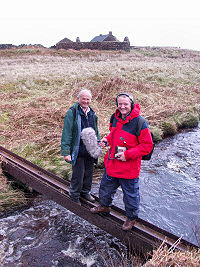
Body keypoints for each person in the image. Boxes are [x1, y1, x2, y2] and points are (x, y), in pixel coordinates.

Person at [91, 92, 153, 231]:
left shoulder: (140, 122)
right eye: (120, 104)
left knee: (130, 196)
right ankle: (104, 207)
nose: (122, 107)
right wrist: (107, 140)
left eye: (126, 104)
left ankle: (131, 219)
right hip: (112, 164)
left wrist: (128, 154)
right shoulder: (115, 117)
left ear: (131, 104)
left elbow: (147, 146)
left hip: (129, 168)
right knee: (105, 189)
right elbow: (113, 134)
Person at [61, 88, 100, 205]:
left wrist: (98, 143)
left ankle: (85, 192)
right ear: (78, 99)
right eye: (83, 99)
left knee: (89, 173)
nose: (86, 101)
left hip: (90, 149)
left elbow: (96, 131)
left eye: (88, 99)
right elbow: (66, 133)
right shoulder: (72, 113)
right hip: (78, 149)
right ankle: (74, 196)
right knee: (78, 174)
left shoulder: (93, 113)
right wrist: (66, 152)